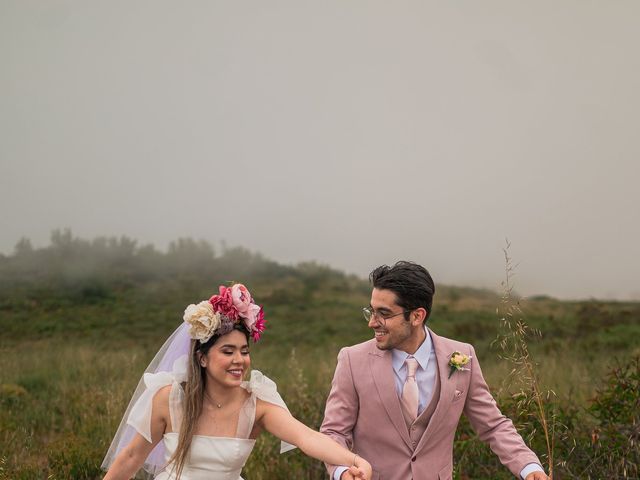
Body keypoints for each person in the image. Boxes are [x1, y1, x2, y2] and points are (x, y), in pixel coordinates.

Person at [102, 283, 372, 480]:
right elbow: (131, 457)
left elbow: (306, 437)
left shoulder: (257, 401)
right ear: (203, 358)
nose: (239, 360)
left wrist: (354, 460)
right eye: (227, 352)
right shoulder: (169, 398)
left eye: (244, 352)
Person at [321, 261, 549, 480]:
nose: (372, 322)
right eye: (371, 311)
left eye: (384, 314)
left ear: (417, 316)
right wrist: (342, 472)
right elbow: (334, 432)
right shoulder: (352, 359)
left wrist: (528, 467)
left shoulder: (461, 356)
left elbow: (493, 425)